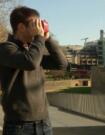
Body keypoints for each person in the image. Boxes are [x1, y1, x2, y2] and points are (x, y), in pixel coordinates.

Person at [0, 6, 68, 135]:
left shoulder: (34, 50)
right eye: (34, 24)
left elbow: (62, 64)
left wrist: (48, 40)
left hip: (44, 124)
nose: (39, 28)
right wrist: (39, 38)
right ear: (20, 27)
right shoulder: (5, 49)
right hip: (18, 127)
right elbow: (30, 62)